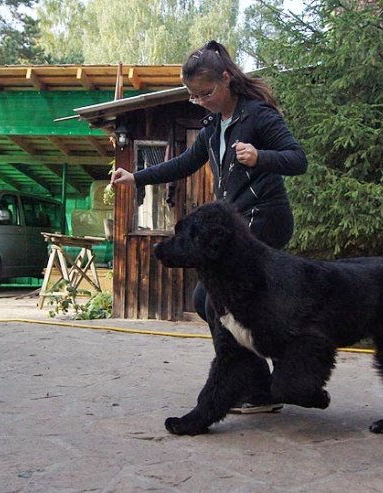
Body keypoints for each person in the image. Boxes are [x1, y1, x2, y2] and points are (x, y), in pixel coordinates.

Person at [110, 40, 308, 414]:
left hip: (265, 221)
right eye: (194, 97)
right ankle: (262, 384)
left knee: (210, 299)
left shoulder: (259, 116)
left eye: (206, 93)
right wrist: (135, 177)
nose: (200, 101)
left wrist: (260, 156)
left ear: (227, 79)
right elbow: (183, 164)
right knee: (218, 302)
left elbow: (298, 159)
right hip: (239, 226)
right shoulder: (213, 126)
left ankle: (260, 384)